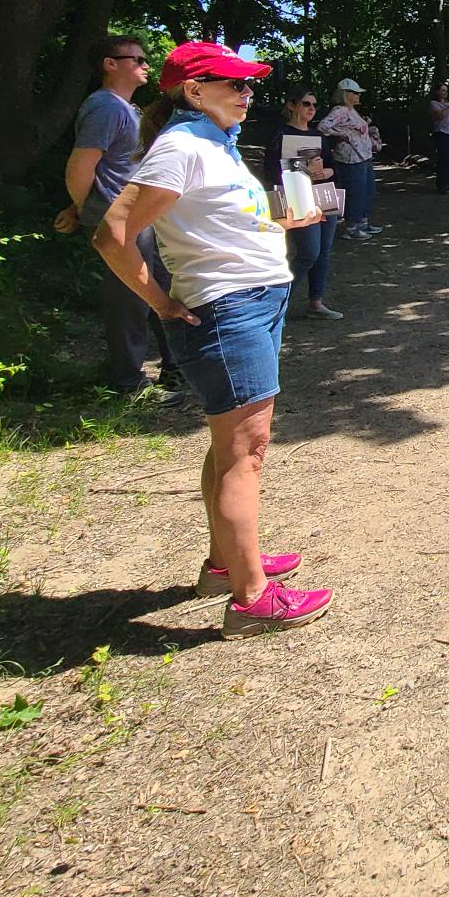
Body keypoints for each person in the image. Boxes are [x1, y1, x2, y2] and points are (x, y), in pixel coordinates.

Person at [94, 41, 333, 639]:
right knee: (245, 455)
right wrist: (162, 302)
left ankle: (227, 566)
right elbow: (112, 233)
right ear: (195, 91)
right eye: (236, 84)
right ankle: (253, 600)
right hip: (228, 311)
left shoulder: (210, 142)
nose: (248, 94)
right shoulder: (181, 146)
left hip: (250, 302)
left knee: (228, 448)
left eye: (250, 85)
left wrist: (281, 221)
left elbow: (215, 224)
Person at [52, 35, 180, 403]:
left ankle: (175, 369)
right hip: (118, 219)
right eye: (136, 59)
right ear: (110, 64)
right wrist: (84, 209)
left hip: (138, 217)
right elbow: (81, 165)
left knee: (159, 290)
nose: (145, 65)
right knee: (130, 298)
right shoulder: (105, 106)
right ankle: (130, 383)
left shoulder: (125, 108)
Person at [256, 91, 343, 320]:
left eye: (315, 104)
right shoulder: (280, 135)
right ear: (291, 106)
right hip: (296, 199)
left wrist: (326, 171)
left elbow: (335, 167)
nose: (311, 108)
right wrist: (304, 170)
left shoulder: (318, 135)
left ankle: (316, 303)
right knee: (309, 253)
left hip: (322, 197)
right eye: (306, 103)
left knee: (322, 253)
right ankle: (276, 305)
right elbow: (271, 172)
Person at [318, 79, 383, 239]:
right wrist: (340, 135)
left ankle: (362, 223)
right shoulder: (340, 110)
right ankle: (352, 227)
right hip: (351, 158)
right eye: (355, 93)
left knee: (368, 191)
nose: (359, 95)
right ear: (346, 94)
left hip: (363, 157)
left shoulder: (351, 111)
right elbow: (323, 126)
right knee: (356, 192)